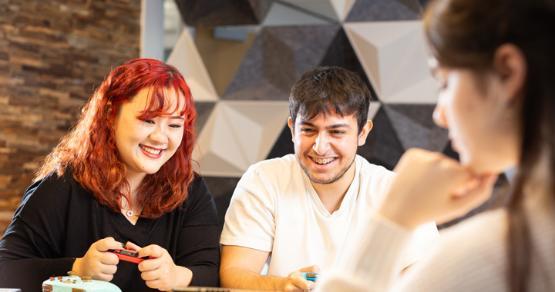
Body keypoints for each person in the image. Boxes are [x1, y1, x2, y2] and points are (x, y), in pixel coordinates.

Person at [316, 0, 555, 291]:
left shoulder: (495, 256)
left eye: (445, 82)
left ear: (508, 71)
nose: (438, 115)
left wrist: (393, 219)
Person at [0, 58, 220, 291]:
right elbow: (6, 269)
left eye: (174, 125)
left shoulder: (190, 190)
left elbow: (211, 272)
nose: (160, 137)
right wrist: (76, 268)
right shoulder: (61, 186)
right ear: (109, 114)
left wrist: (177, 276)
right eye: (148, 120)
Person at [219, 67, 438, 291]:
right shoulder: (263, 180)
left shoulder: (396, 191)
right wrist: (282, 285)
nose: (320, 147)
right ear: (292, 129)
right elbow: (234, 273)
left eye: (336, 132)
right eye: (308, 130)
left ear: (362, 133)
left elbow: (425, 283)